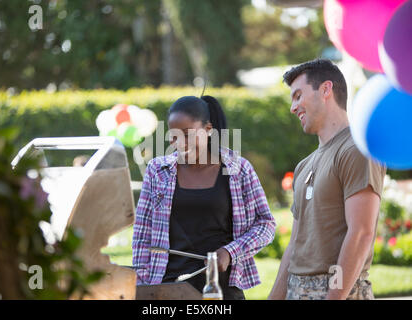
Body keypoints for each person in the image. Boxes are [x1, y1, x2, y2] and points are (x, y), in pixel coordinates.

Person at [132, 95, 276, 300]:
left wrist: (229, 252)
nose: (179, 143)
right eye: (173, 136)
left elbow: (266, 224)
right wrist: (143, 287)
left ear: (208, 129)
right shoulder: (157, 171)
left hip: (221, 288)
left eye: (187, 134)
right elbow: (142, 234)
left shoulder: (238, 169)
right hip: (168, 288)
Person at [268, 59, 386, 300]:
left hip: (339, 291)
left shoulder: (357, 148)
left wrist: (334, 296)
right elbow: (295, 245)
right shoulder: (303, 166)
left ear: (325, 90)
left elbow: (360, 233)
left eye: (298, 96)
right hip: (296, 290)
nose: (293, 107)